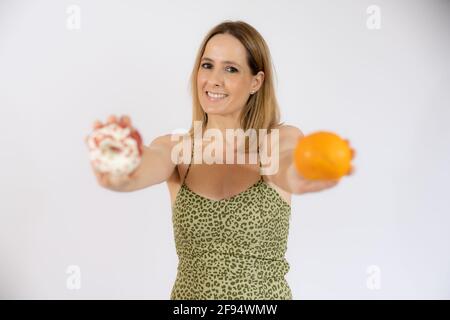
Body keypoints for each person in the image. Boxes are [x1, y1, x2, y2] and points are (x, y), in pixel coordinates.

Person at [86, 20, 354, 299]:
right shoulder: (176, 147)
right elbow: (139, 170)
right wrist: (117, 163)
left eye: (231, 69)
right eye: (207, 65)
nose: (214, 79)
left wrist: (301, 174)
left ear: (256, 81)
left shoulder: (278, 140)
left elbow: (288, 167)